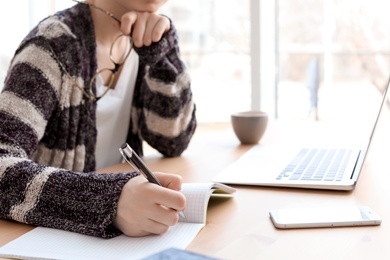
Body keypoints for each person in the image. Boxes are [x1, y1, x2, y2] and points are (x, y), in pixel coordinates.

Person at [0, 0, 196, 238]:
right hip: (40, 237)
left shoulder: (147, 42)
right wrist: (108, 201)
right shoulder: (51, 44)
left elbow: (173, 140)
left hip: (116, 239)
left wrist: (163, 55)